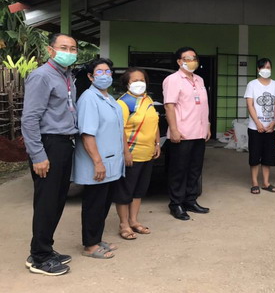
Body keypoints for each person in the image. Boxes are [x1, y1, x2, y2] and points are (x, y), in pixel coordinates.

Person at [21, 33, 78, 276]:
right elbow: (29, 118)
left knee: (57, 200)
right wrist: (38, 155)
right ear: (50, 50)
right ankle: (39, 258)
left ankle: (45, 247)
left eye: (73, 48)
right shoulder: (42, 76)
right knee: (46, 202)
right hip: (49, 144)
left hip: (65, 143)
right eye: (64, 47)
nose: (69, 52)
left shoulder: (66, 76)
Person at [73, 58, 130, 259]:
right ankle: (90, 245)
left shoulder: (109, 99)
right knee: (94, 204)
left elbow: (117, 129)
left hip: (111, 161)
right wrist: (98, 162)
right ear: (90, 77)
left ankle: (96, 239)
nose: (104, 76)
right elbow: (87, 134)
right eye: (99, 72)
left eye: (107, 72)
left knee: (104, 204)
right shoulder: (89, 99)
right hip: (98, 163)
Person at [163, 47, 211, 220]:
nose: (191, 61)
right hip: (182, 133)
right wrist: (174, 130)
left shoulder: (199, 79)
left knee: (195, 169)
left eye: (194, 58)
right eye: (187, 58)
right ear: (179, 61)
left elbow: (203, 105)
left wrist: (207, 125)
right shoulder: (173, 80)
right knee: (179, 170)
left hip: (199, 132)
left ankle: (190, 200)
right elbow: (169, 106)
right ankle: (176, 203)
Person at [113, 68, 160, 239]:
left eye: (142, 80)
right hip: (132, 154)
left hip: (147, 154)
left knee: (139, 190)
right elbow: (118, 130)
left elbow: (154, 122)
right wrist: (126, 153)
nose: (139, 83)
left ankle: (133, 221)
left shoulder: (148, 99)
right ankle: (124, 224)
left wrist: (157, 143)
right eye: (134, 80)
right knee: (125, 191)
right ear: (127, 83)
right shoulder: (123, 103)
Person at [244, 58, 275, 194]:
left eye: (268, 67)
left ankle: (266, 182)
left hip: (271, 128)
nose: (266, 70)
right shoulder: (252, 84)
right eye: (263, 67)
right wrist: (258, 123)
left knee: (268, 156)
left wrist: (273, 123)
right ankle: (254, 182)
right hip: (255, 127)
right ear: (258, 69)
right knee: (255, 156)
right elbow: (250, 105)